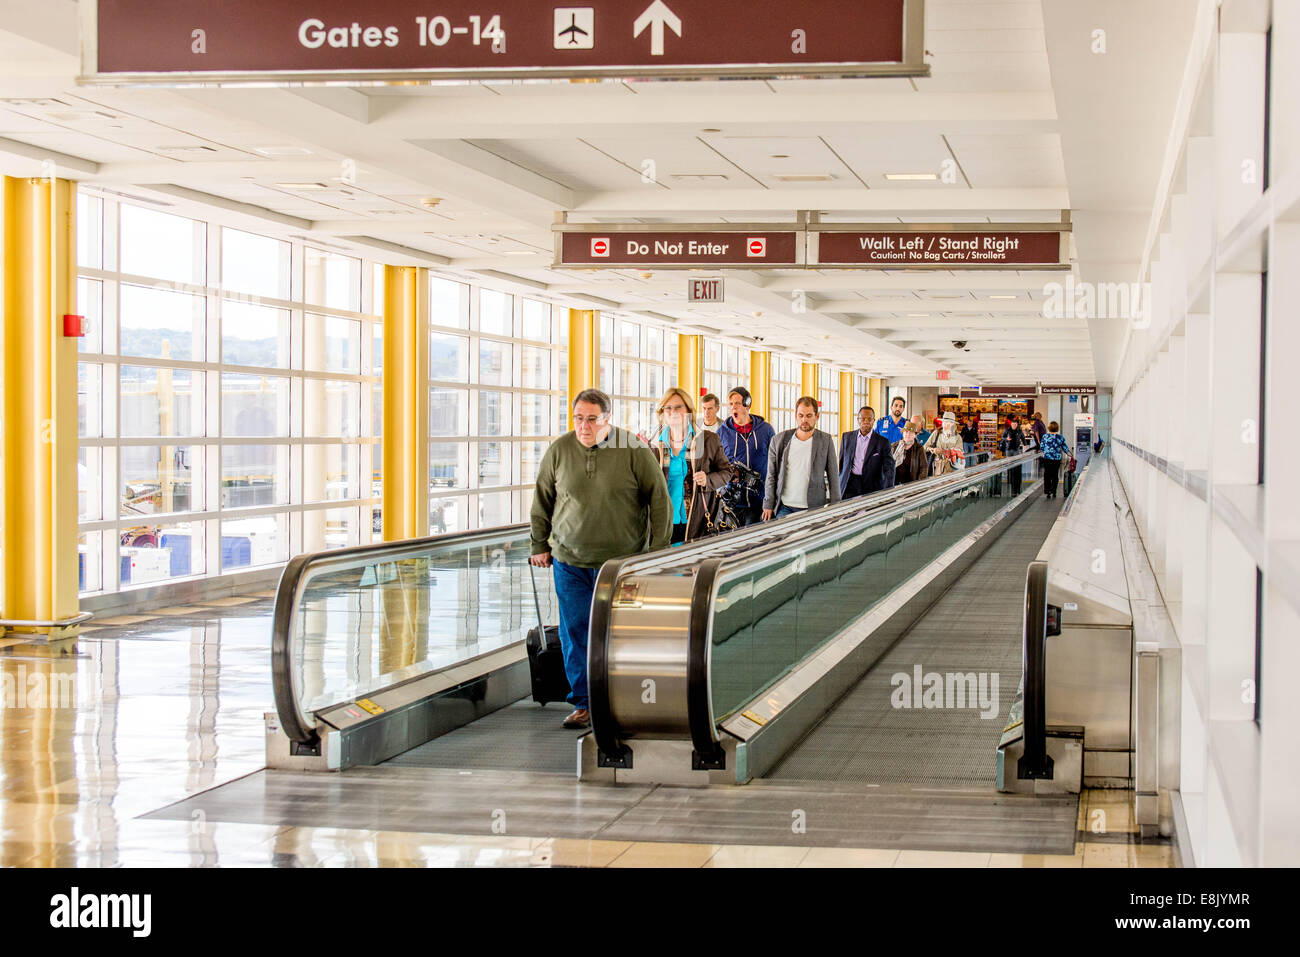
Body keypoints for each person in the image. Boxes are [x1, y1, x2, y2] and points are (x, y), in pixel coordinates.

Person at [530, 388, 671, 730]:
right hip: (570, 561)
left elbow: (660, 501)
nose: (584, 426)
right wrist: (539, 544)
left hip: (622, 565)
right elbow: (542, 499)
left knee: (622, 634)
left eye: (592, 419)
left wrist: (656, 553)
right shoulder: (559, 451)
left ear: (608, 419)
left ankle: (625, 700)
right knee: (575, 631)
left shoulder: (633, 449)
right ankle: (584, 704)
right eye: (578, 418)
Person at [647, 387, 732, 543]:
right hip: (663, 522)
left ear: (688, 410)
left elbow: (727, 472)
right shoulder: (654, 444)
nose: (673, 412)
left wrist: (708, 480)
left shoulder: (707, 440)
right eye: (668, 408)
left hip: (697, 520)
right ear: (662, 412)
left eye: (679, 407)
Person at [762, 396, 840, 520]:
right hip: (785, 507)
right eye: (801, 415)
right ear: (796, 415)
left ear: (817, 416)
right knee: (783, 539)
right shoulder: (778, 440)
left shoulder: (825, 440)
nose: (804, 420)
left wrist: (836, 507)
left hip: (814, 507)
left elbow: (833, 476)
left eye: (809, 416)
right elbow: (771, 475)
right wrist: (768, 503)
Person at [717, 386, 776, 527]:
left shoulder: (766, 430)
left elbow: (776, 464)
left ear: (747, 405)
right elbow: (717, 465)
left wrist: (771, 499)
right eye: (731, 404)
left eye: (737, 403)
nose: (733, 408)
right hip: (732, 502)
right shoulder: (722, 432)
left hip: (760, 501)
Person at [839, 405, 896, 499]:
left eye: (869, 419)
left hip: (872, 487)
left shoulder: (883, 442)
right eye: (863, 418)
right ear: (858, 420)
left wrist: (888, 493)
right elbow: (841, 464)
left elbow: (889, 469)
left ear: (874, 421)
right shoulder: (847, 437)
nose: (866, 421)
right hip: (850, 484)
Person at [924, 411, 965, 476]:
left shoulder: (958, 437)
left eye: (950, 423)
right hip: (938, 467)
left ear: (953, 424)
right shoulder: (936, 433)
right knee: (938, 485)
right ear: (942, 423)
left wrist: (944, 452)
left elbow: (960, 453)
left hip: (953, 468)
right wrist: (932, 449)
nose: (947, 425)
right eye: (945, 422)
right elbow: (925, 447)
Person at [1040, 421, 1068, 499]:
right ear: (1057, 428)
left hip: (1047, 458)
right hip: (1057, 458)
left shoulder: (1045, 437)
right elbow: (1065, 448)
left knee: (1047, 474)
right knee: (1055, 474)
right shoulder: (1060, 437)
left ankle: (1047, 491)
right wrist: (1069, 454)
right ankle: (1054, 491)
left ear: (1049, 428)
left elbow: (1041, 447)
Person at [1000, 414, 1025, 495]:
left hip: (1016, 450)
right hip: (1008, 449)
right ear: (1011, 424)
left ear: (1017, 425)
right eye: (1013, 424)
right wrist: (1006, 439)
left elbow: (1023, 438)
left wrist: (1024, 446)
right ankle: (1009, 479)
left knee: (1015, 465)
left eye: (1015, 424)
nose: (1014, 425)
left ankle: (1014, 480)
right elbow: (1002, 438)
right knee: (1009, 465)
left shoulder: (1019, 431)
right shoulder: (1007, 430)